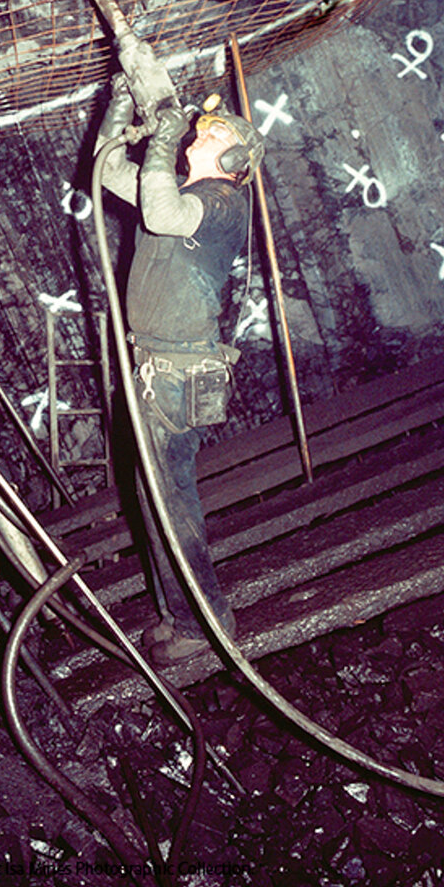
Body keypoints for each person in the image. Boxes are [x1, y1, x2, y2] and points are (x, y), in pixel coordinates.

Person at [96, 76, 264, 664]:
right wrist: (118, 110)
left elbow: (163, 211)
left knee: (173, 503)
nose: (195, 137)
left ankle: (205, 622)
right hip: (154, 372)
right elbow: (110, 173)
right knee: (153, 502)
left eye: (207, 134)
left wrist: (163, 138)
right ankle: (178, 612)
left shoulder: (221, 204)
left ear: (236, 159)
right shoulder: (184, 194)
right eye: (194, 131)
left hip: (177, 378)